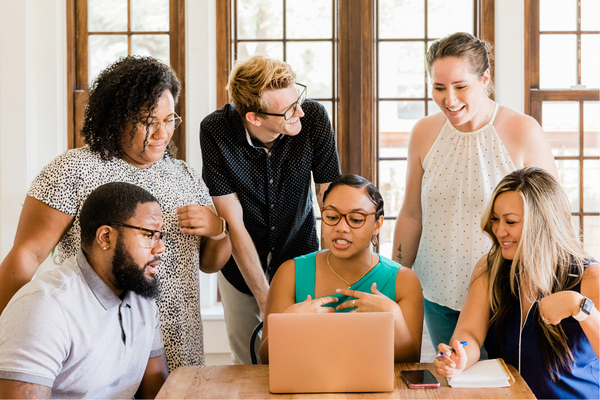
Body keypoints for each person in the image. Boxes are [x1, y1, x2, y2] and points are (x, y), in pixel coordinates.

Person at [0, 56, 231, 371]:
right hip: (102, 343)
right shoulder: (73, 169)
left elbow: (210, 263)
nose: (163, 133)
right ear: (117, 117)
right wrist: (6, 332)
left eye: (170, 120)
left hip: (179, 341)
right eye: (150, 121)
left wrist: (218, 230)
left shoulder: (185, 176)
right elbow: (25, 255)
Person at [392, 32, 558, 352]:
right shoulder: (424, 133)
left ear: (485, 78)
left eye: (460, 86)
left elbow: (551, 218)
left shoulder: (523, 131)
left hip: (505, 295)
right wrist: (396, 278)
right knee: (456, 382)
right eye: (439, 88)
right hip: (437, 295)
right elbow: (412, 212)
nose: (449, 99)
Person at [200, 55, 341, 364]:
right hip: (239, 264)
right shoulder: (215, 131)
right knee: (249, 359)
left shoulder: (313, 118)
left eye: (298, 99)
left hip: (299, 251)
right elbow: (232, 221)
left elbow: (331, 203)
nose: (299, 112)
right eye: (288, 109)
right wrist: (265, 300)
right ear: (254, 117)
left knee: (304, 356)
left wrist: (336, 275)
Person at [434, 167, 599, 399]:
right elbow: (469, 332)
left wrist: (580, 307)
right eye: (495, 220)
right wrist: (460, 355)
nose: (499, 231)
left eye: (511, 222)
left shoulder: (589, 276)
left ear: (543, 223)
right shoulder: (489, 268)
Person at [0, 182, 169, 399]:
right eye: (148, 234)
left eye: (160, 235)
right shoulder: (45, 307)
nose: (161, 247)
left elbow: (157, 394)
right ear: (105, 237)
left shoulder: (142, 300)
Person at [259, 174, 423, 364]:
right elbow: (265, 360)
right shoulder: (290, 273)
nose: (341, 227)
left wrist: (393, 317)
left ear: (377, 224)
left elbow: (410, 362)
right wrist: (288, 325)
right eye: (332, 217)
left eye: (355, 219)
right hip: (307, 387)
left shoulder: (404, 281)